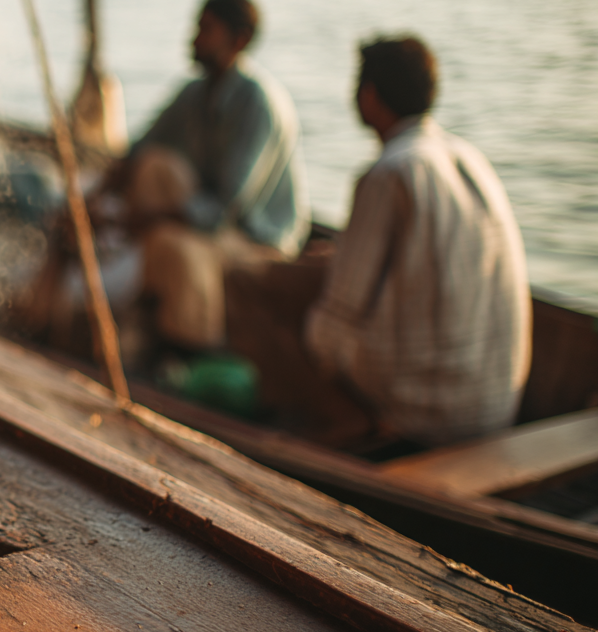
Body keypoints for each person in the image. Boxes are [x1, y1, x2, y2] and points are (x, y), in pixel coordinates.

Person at [227, 36, 530, 448]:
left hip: (427, 411)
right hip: (496, 405)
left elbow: (331, 330)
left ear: (368, 97)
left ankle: (341, 420)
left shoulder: (389, 173)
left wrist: (294, 328)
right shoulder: (468, 156)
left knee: (250, 286)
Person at [23, 0, 308, 354]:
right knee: (156, 166)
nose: (194, 38)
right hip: (209, 224)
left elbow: (223, 210)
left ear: (239, 40)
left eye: (206, 30)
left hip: (255, 242)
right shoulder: (196, 94)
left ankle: (186, 344)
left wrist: (134, 221)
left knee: (170, 246)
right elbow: (137, 153)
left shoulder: (257, 103)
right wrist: (90, 204)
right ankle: (83, 317)